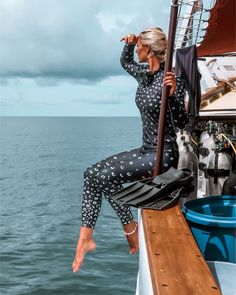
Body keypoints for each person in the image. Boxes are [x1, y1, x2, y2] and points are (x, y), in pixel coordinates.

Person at [72, 27, 188, 273]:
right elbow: (125, 61)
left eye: (138, 46)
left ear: (148, 49)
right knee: (92, 174)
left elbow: (182, 123)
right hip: (146, 149)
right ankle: (95, 236)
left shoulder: (170, 78)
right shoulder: (144, 74)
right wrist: (129, 42)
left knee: (103, 177)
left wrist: (175, 95)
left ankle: (122, 231)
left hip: (163, 154)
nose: (136, 50)